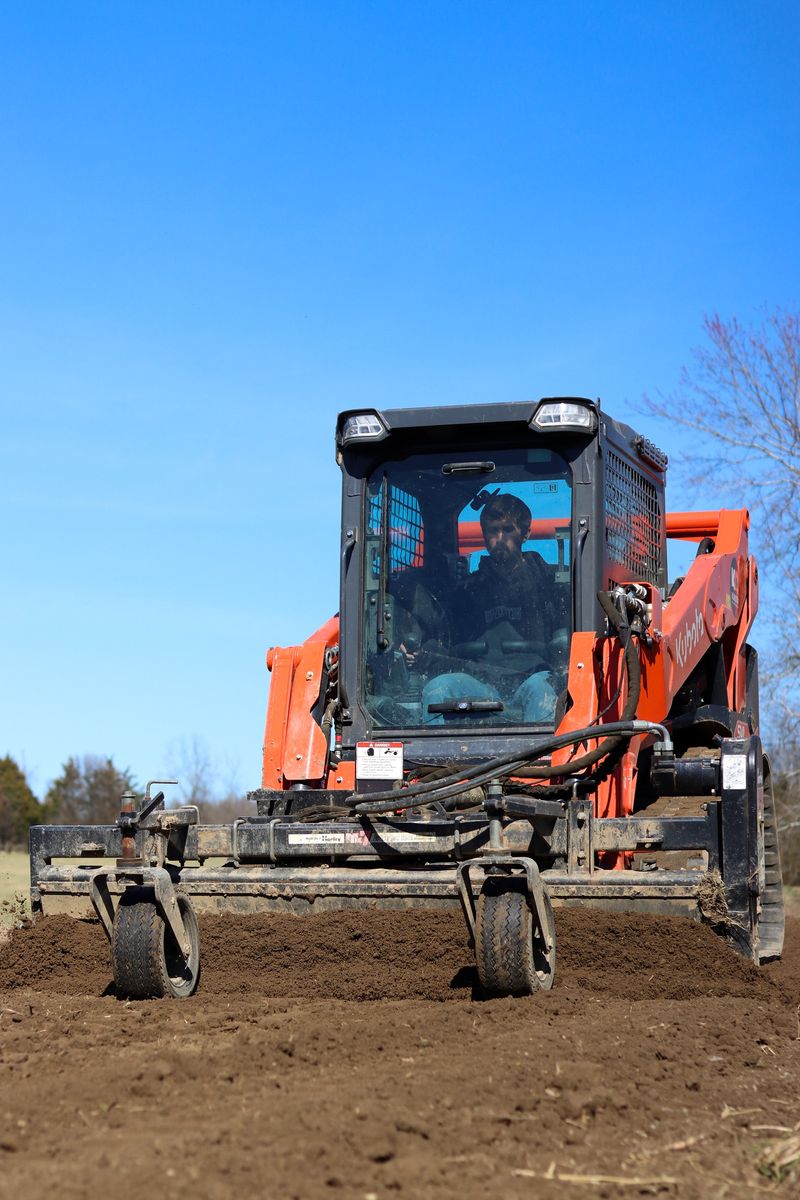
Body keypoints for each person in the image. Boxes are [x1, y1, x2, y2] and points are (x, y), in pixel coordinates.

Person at [420, 492, 565, 725]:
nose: (499, 538)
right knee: (438, 689)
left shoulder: (551, 583)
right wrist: (421, 650)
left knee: (542, 689)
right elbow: (443, 638)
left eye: (508, 530)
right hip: (481, 682)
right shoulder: (466, 591)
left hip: (532, 679)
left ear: (525, 534)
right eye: (492, 530)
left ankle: (541, 759)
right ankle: (432, 758)